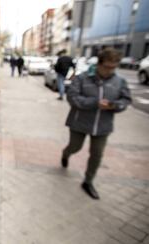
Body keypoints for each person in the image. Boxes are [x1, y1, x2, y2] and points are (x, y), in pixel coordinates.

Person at [61, 48, 131, 200]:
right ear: (99, 64)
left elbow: (125, 100)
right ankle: (66, 154)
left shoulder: (120, 82)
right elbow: (72, 97)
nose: (109, 71)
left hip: (102, 126)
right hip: (79, 122)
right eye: (107, 67)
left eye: (113, 67)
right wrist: (94, 103)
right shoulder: (82, 78)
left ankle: (88, 181)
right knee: (75, 146)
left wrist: (114, 105)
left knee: (97, 154)